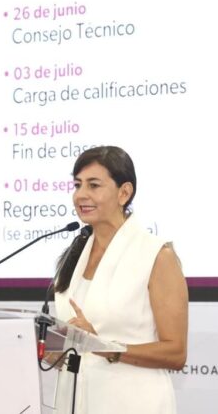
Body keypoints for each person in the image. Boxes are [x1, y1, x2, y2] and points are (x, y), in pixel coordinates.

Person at [52, 146, 188, 414]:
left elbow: (176, 353)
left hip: (133, 403)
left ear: (124, 193)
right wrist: (55, 350)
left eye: (93, 185)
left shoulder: (156, 254)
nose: (81, 195)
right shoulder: (74, 255)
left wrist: (104, 347)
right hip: (75, 401)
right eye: (77, 185)